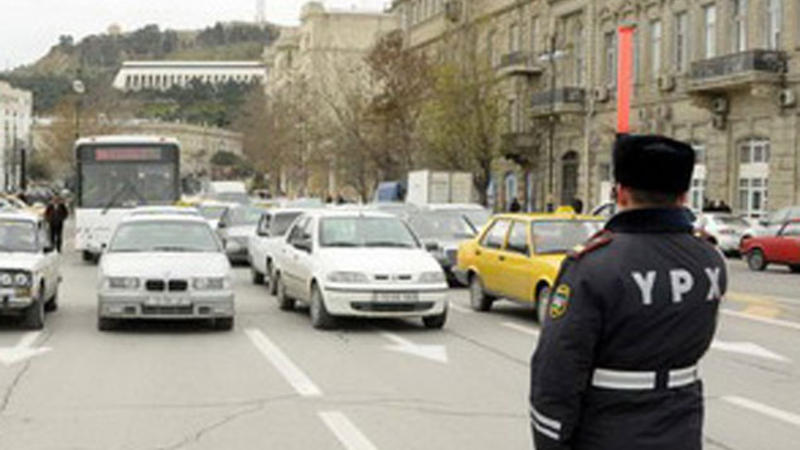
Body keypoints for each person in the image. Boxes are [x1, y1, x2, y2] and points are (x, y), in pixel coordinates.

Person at [529, 134, 727, 450]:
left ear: (621, 193)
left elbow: (558, 370)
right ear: (684, 196)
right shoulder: (709, 259)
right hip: (682, 429)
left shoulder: (594, 264)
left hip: (608, 431)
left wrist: (549, 439)